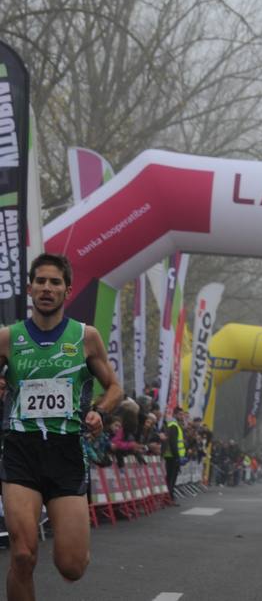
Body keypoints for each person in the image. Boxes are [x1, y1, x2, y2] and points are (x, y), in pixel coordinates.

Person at [0, 253, 123, 601]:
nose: (46, 288)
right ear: (29, 288)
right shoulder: (8, 338)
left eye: (55, 282)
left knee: (72, 566)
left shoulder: (86, 337)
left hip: (66, 451)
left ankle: (76, 547)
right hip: (21, 449)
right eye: (40, 281)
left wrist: (99, 411)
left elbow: (114, 388)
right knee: (22, 555)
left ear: (67, 290)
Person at [160, 408, 187, 501]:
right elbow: (173, 442)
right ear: (175, 415)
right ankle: (168, 497)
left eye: (182, 414)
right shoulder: (173, 425)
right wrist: (177, 456)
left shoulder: (176, 425)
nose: (182, 416)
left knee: (172, 477)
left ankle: (170, 496)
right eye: (180, 414)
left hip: (173, 455)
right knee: (171, 478)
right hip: (172, 456)